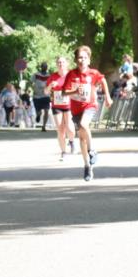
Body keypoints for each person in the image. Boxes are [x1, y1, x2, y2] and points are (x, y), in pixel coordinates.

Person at [63, 45, 111, 181]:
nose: (82, 60)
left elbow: (103, 80)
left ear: (89, 60)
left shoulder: (93, 73)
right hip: (76, 109)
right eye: (79, 58)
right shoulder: (71, 74)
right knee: (82, 139)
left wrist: (107, 96)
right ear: (76, 60)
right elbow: (63, 92)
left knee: (84, 124)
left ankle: (92, 150)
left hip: (90, 105)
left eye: (84, 58)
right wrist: (75, 92)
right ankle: (87, 166)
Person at [46, 57, 75, 160]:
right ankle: (63, 151)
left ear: (67, 64)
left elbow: (76, 88)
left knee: (70, 128)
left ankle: (71, 141)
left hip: (69, 105)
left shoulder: (71, 75)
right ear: (56, 64)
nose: (61, 64)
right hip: (56, 105)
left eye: (63, 62)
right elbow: (45, 91)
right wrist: (50, 86)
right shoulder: (53, 76)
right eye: (59, 62)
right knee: (60, 129)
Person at [32, 62, 51, 131]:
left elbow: (51, 85)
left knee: (46, 111)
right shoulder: (36, 74)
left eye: (46, 66)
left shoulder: (49, 75)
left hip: (46, 95)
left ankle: (44, 126)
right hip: (37, 96)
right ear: (41, 67)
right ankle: (38, 115)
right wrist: (34, 89)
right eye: (43, 66)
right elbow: (32, 83)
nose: (45, 67)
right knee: (39, 111)